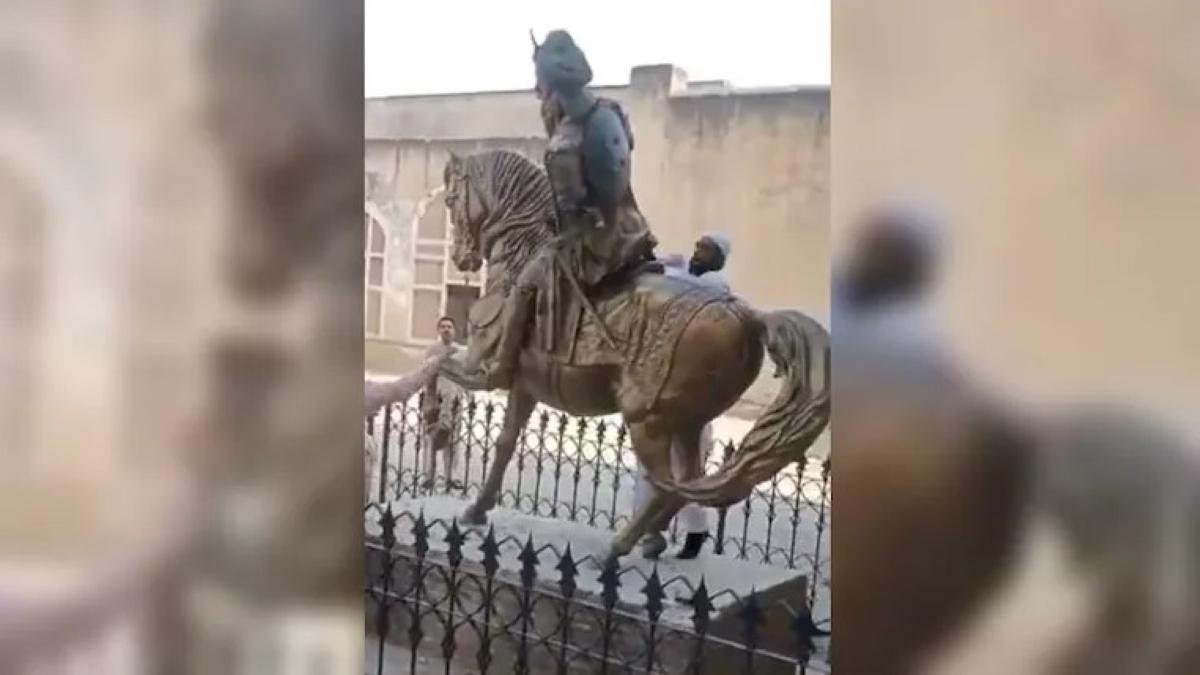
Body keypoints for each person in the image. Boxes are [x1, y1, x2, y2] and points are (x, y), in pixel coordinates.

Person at [480, 29, 658, 389]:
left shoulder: (564, 144)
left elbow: (570, 210)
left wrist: (552, 230)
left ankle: (502, 366)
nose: (538, 92)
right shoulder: (612, 111)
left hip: (595, 246)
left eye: (540, 84)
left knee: (525, 284)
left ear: (551, 87)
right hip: (631, 229)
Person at [633, 231, 734, 559]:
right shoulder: (680, 278)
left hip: (695, 395)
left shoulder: (718, 286)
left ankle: (696, 531)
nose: (697, 254)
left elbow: (687, 289)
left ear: (719, 258)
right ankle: (647, 532)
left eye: (706, 250)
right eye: (696, 247)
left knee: (686, 471)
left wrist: (663, 270)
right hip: (661, 386)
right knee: (649, 465)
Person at [420, 317, 466, 490]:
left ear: (454, 331)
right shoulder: (432, 350)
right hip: (435, 399)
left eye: (450, 327)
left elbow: (465, 374)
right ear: (438, 330)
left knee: (453, 439)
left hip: (455, 401)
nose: (447, 329)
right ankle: (428, 476)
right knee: (432, 436)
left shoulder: (460, 351)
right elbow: (426, 373)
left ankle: (452, 476)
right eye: (443, 326)